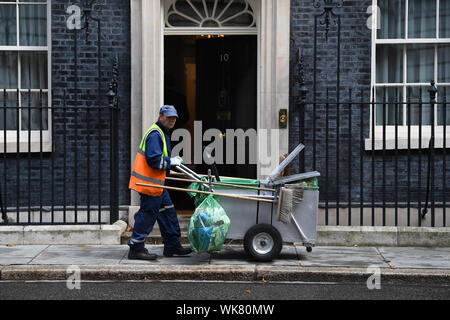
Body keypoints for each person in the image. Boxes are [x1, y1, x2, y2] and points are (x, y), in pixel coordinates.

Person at [128, 105, 193, 260]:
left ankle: (172, 245)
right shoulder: (155, 134)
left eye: (174, 118)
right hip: (149, 184)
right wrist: (170, 162)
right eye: (169, 117)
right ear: (161, 116)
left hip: (157, 184)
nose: (172, 120)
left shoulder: (162, 133)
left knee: (168, 212)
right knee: (147, 214)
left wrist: (172, 165)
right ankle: (136, 248)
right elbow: (154, 161)